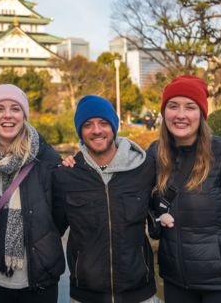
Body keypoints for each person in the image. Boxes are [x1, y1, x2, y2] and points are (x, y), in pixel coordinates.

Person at [149, 75, 221, 303]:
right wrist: (79, 164)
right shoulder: (155, 154)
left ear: (202, 114)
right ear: (164, 112)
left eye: (190, 107)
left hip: (220, 285)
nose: (180, 114)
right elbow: (130, 191)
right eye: (173, 106)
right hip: (175, 281)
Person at [0, 84, 65, 303]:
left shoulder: (46, 158)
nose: (7, 115)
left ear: (24, 115)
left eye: (15, 109)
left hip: (38, 276)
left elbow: (59, 215)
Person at [53, 95, 158, 303]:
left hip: (140, 293)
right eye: (87, 125)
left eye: (103, 123)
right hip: (85, 295)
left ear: (114, 126)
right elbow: (51, 230)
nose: (96, 130)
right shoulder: (66, 176)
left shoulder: (144, 168)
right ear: (80, 131)